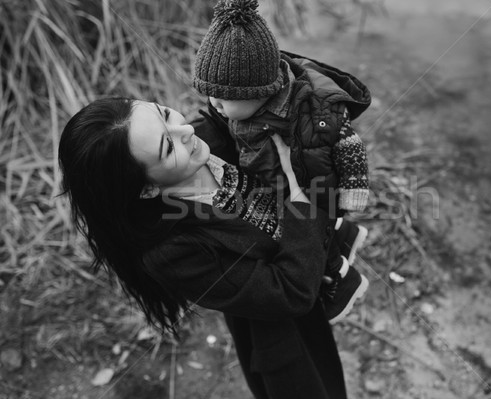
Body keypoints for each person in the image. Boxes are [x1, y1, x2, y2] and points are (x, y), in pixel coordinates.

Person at [59, 97, 349, 398]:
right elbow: (289, 292)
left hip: (316, 276)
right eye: (168, 147)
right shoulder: (171, 252)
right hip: (282, 335)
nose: (184, 130)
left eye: (166, 114)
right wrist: (303, 197)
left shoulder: (214, 132)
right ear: (147, 189)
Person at [193, 0, 371, 322]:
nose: (214, 104)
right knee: (308, 226)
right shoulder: (247, 108)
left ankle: (343, 280)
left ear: (259, 92)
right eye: (210, 95)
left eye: (223, 99)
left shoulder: (311, 111)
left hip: (314, 186)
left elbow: (348, 142)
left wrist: (353, 190)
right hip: (275, 182)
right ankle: (347, 234)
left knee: (316, 239)